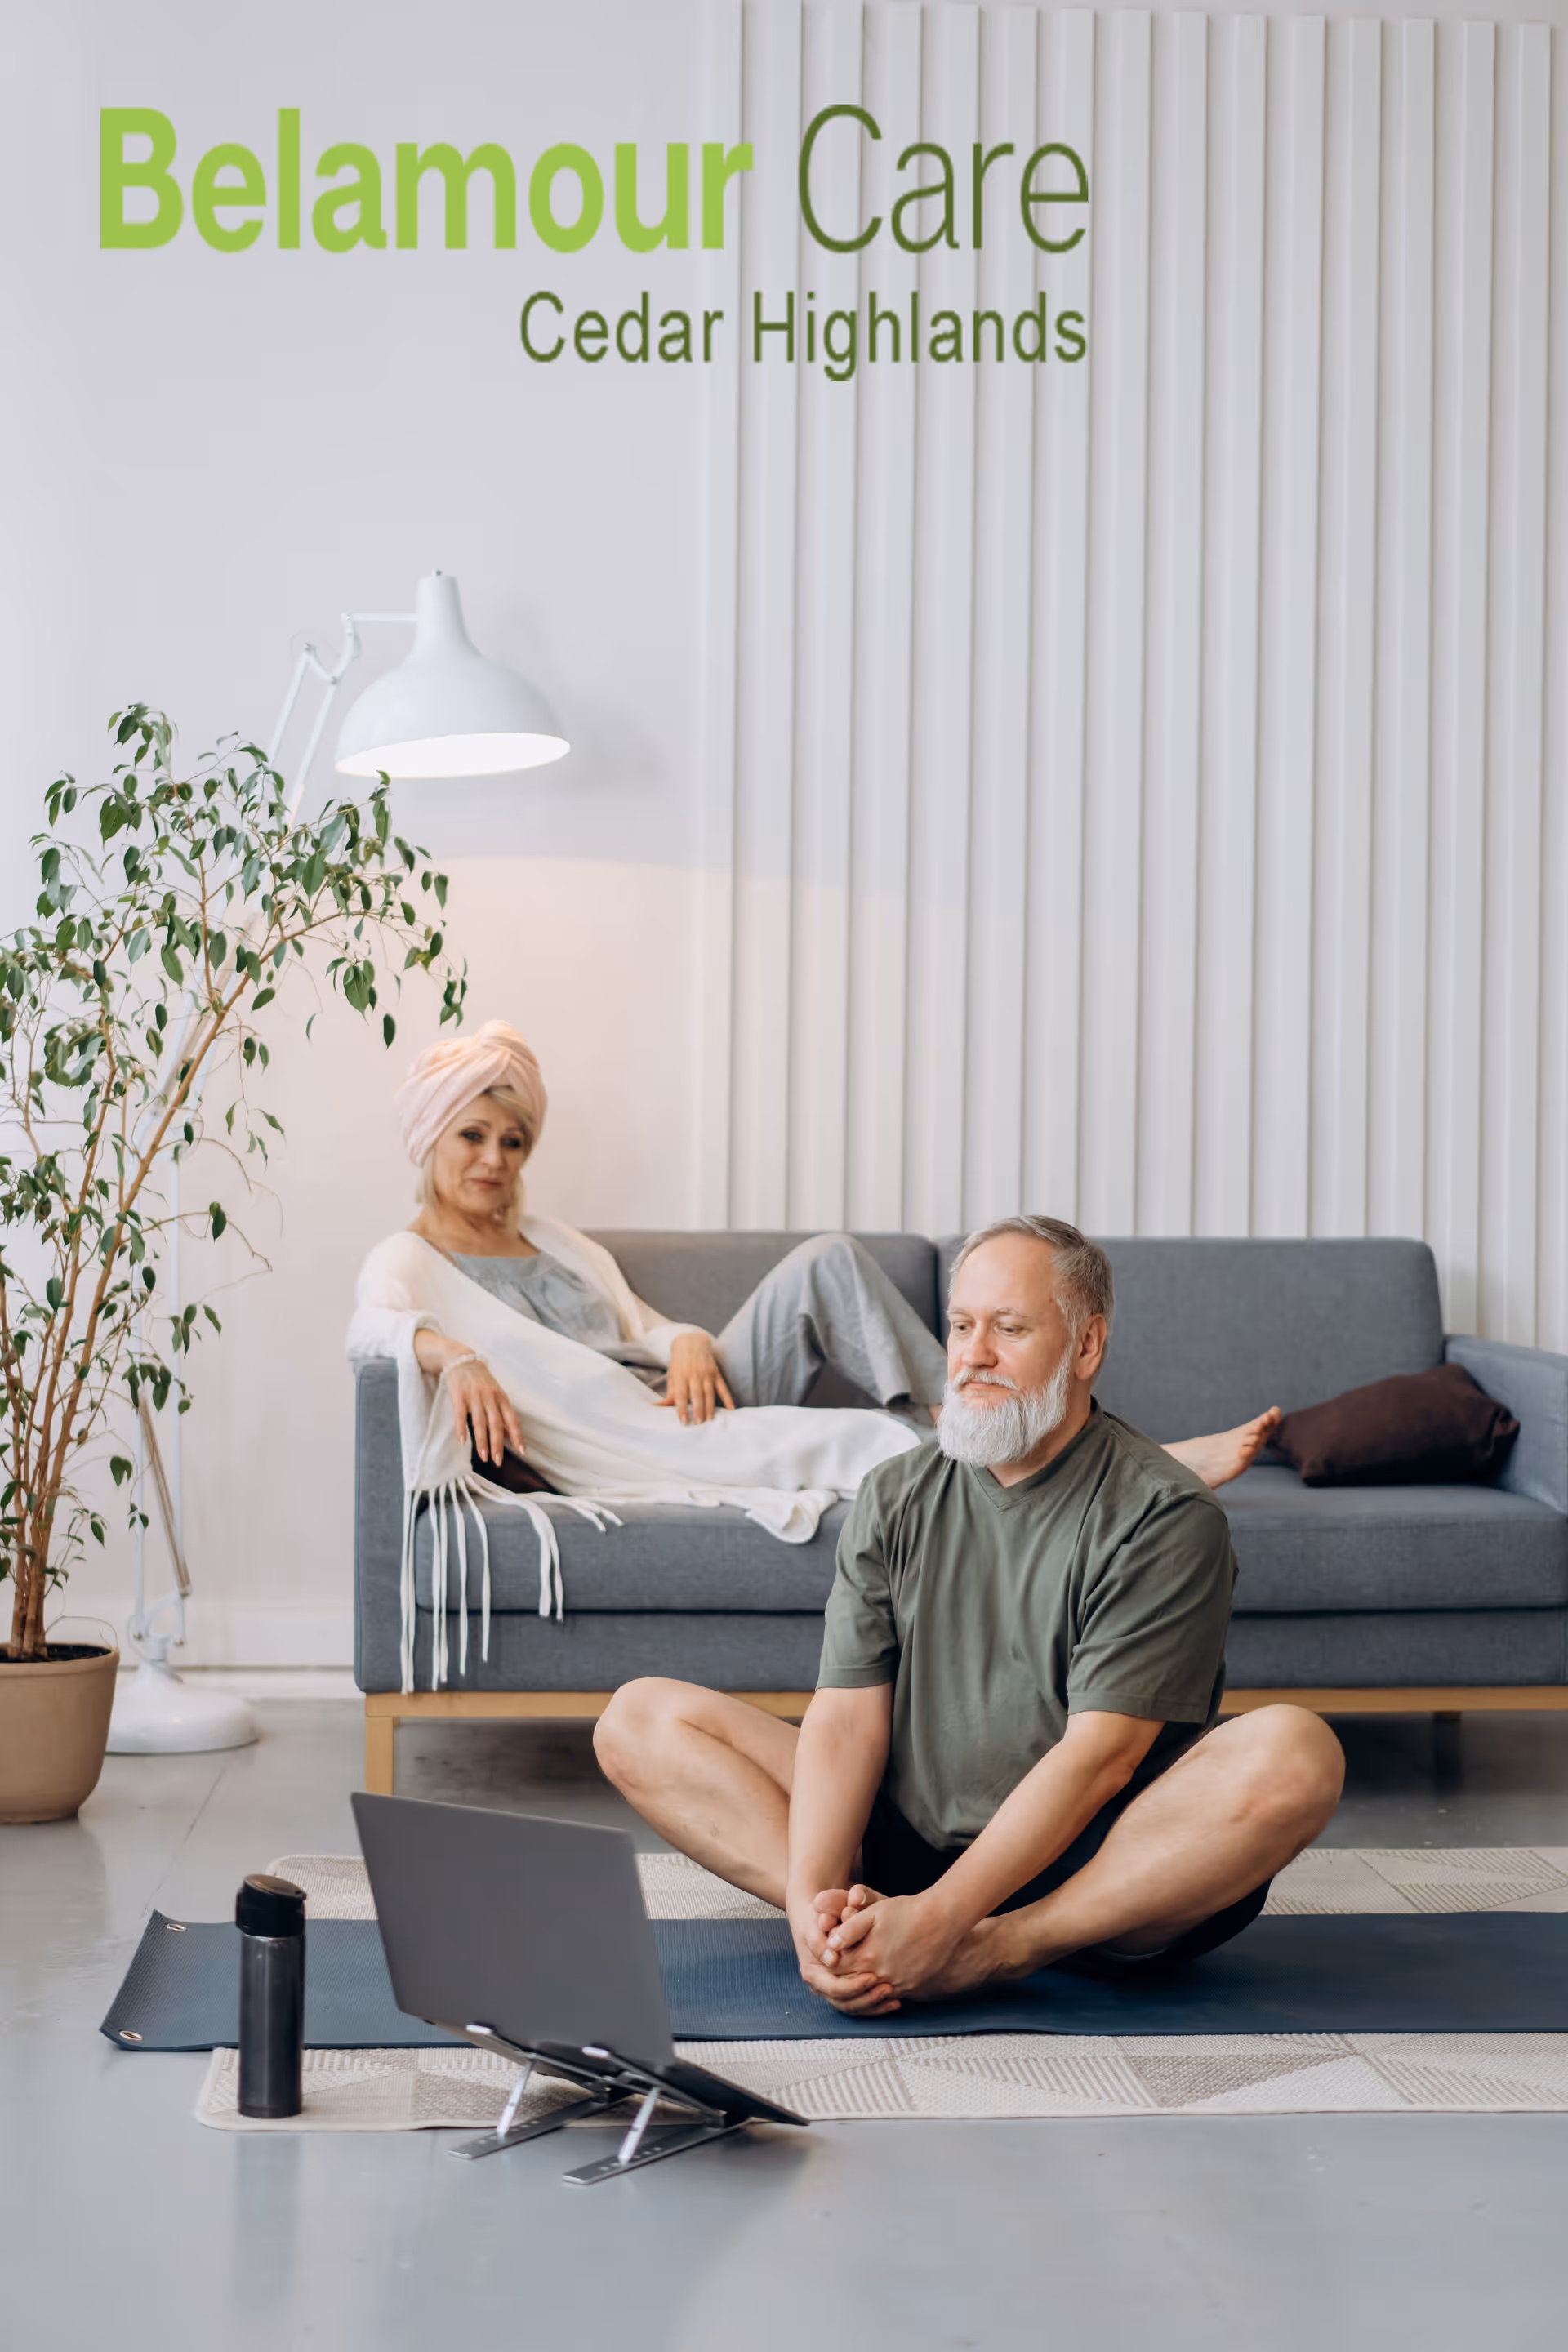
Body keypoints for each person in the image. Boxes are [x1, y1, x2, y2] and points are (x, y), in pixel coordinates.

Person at [593, 1216, 1345, 2012]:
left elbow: (1102, 1760)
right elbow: (844, 1720)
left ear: (1087, 1346)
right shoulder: (895, 1492)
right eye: (960, 1327)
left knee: (1296, 1754)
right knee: (638, 1720)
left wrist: (949, 1924)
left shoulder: (1164, 1514)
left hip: (1096, 1868)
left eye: (1009, 1329)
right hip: (904, 1847)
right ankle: (858, 1932)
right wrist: (810, 1903)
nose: (973, 1355)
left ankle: (1002, 1946)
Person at [387, 1020, 1279, 1490]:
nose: (495, 1160)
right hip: (628, 1433)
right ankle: (1095, 1459)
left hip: (682, 1395)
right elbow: (374, 1328)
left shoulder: (553, 1240)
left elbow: (646, 1326)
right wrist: (453, 1354)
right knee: (870, 1433)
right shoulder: (412, 1256)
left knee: (829, 1258)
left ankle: (958, 1417)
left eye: (512, 1141)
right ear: (431, 1140)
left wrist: (687, 1339)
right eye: (473, 1136)